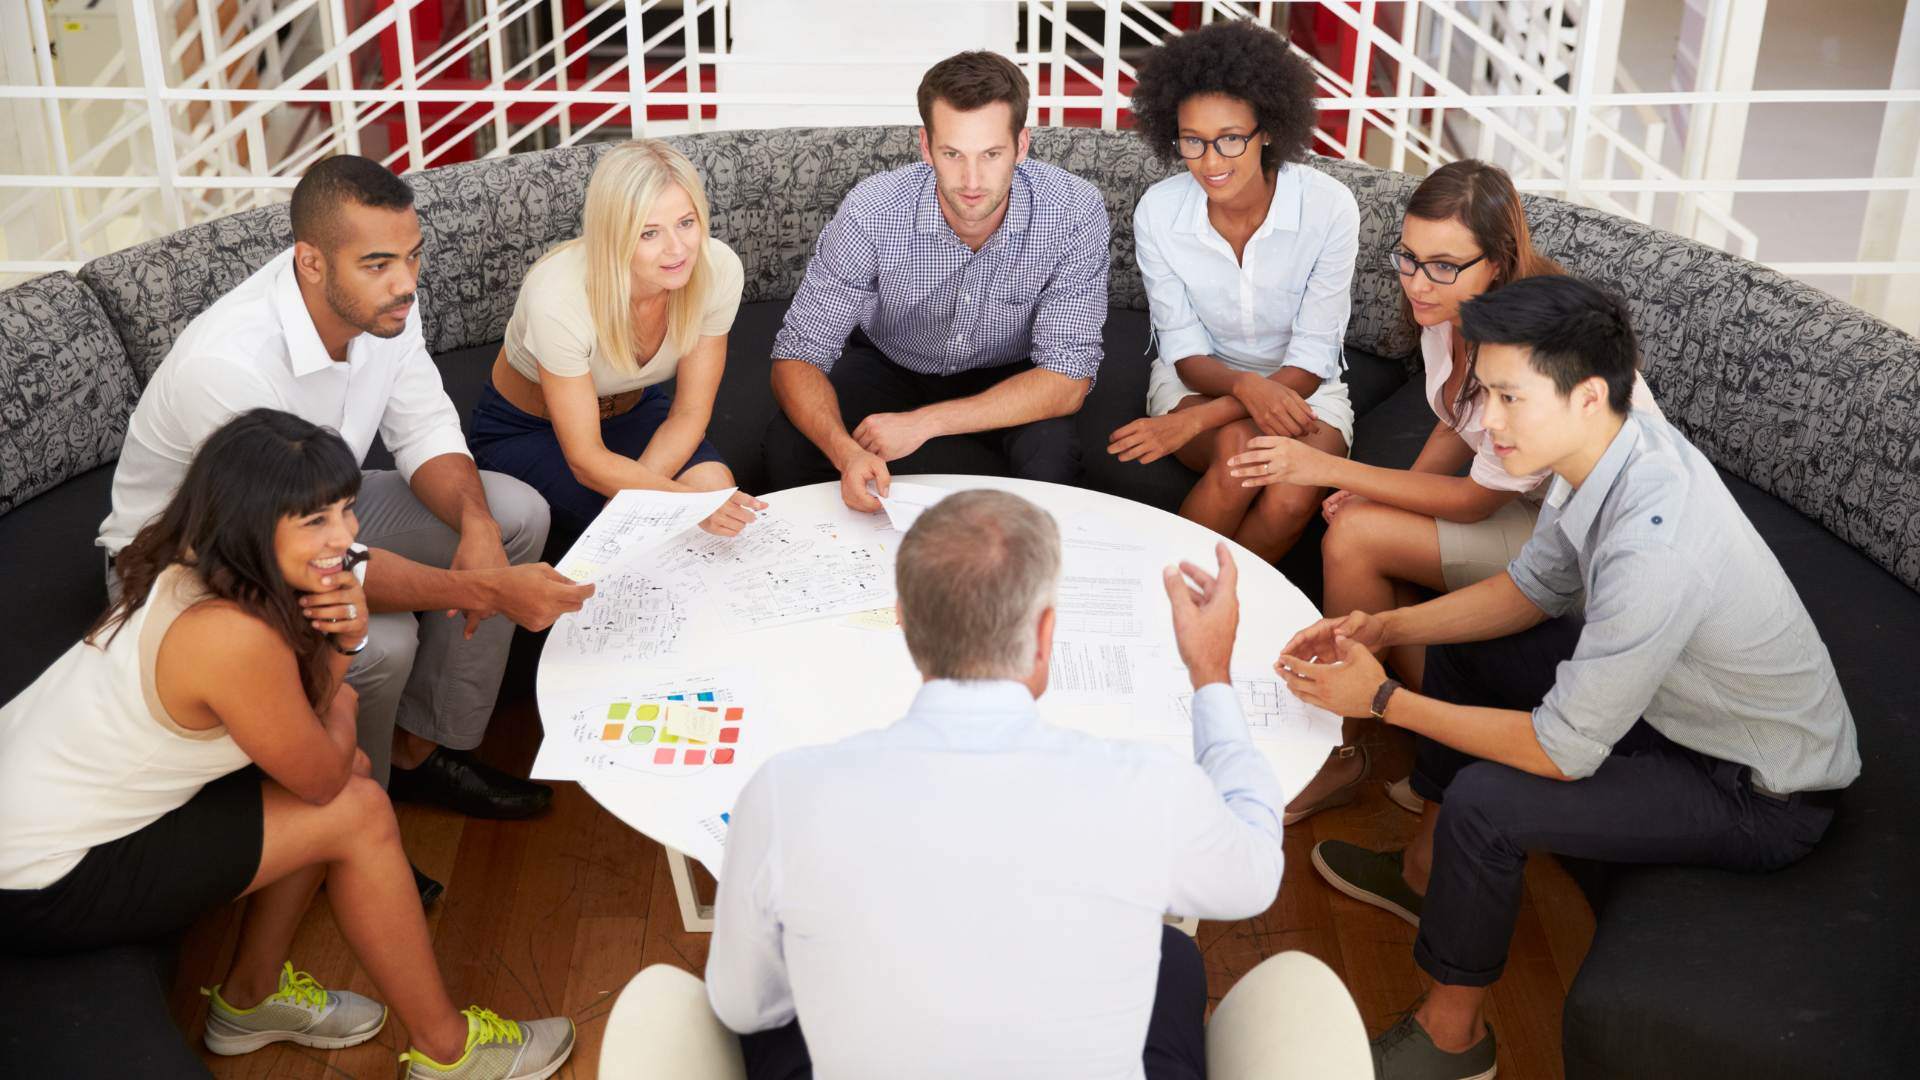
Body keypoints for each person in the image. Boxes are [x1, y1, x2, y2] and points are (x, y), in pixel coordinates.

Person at [1275, 277, 1859, 1080]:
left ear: (1588, 396)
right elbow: (1529, 590)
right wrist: (1386, 627)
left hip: (1755, 792)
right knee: (1465, 641)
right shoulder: (1608, 451)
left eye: (1512, 399)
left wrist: (1382, 699)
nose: (1490, 422)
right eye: (1485, 394)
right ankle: (1422, 872)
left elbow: (1560, 753)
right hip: (1675, 713)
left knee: (1488, 804)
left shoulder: (1657, 547)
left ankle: (1455, 1040)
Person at [3, 411, 575, 1080]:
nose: (346, 537)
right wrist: (347, 648)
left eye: (344, 509)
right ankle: (450, 1053)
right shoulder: (226, 634)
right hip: (41, 875)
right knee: (355, 808)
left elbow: (316, 739)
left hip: (43, 809)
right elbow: (323, 780)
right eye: (316, 522)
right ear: (249, 519)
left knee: (351, 771)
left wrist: (346, 658)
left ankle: (250, 1000)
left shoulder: (204, 555)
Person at [99, 156, 592, 852]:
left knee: (516, 516)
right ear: (311, 263)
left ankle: (426, 752)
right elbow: (300, 552)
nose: (406, 283)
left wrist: (478, 530)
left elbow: (422, 428)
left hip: (319, 514)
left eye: (414, 257)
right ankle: (356, 822)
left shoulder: (386, 308)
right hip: (191, 562)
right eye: (380, 264)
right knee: (383, 644)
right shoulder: (230, 364)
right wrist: (486, 587)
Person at [706, 491, 1286, 1079]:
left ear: (903, 619)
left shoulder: (785, 791)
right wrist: (1210, 674)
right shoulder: (1151, 786)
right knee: (1174, 961)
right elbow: (1254, 875)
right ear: (1045, 632)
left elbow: (745, 1005)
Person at [1227, 159, 1660, 824]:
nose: (1418, 283)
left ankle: (1346, 750)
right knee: (1367, 527)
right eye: (1409, 258)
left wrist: (1332, 472)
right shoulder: (1449, 307)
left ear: (1500, 261)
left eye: (1443, 265)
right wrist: (1390, 494)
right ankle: (1443, 739)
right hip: (1534, 498)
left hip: (1585, 534)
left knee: (1355, 535)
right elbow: (1456, 421)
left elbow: (1477, 501)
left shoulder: (1530, 340)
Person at [762, 51, 1111, 511]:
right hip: (892, 361)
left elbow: (1067, 377)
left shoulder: (1073, 210)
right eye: (952, 154)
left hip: (1016, 371)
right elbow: (798, 354)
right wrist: (847, 454)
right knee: (788, 450)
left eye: (991, 154)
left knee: (1055, 462)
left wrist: (924, 423)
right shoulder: (873, 209)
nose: (971, 180)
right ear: (926, 147)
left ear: (1022, 146)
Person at [1106, 19, 1357, 564]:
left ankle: (1225, 620)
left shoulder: (1329, 208)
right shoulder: (1160, 211)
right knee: (1238, 451)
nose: (1211, 162)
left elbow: (1314, 358)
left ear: (1267, 130)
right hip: (1198, 382)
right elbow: (1185, 351)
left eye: (1230, 139)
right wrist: (1243, 390)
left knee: (1291, 491)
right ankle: (1163, 603)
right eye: (1192, 141)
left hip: (1306, 389)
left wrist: (1197, 421)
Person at [471, 140, 765, 544]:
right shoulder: (557, 296)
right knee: (646, 532)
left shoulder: (717, 269)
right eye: (649, 233)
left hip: (633, 409)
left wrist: (654, 498)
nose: (677, 249)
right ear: (615, 234)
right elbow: (586, 458)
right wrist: (673, 503)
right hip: (529, 428)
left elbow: (690, 414)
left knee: (714, 486)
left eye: (686, 222)